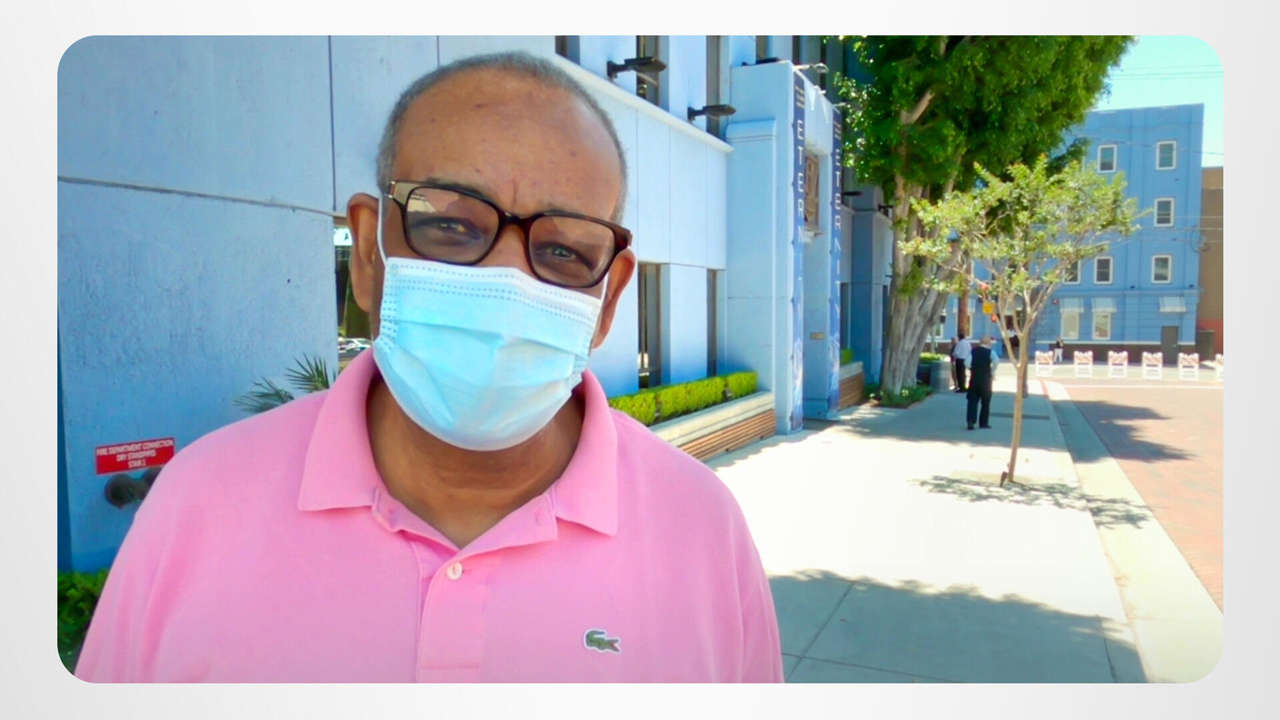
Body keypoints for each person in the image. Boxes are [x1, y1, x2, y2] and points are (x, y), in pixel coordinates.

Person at [76, 52, 783, 683]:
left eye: (563, 250)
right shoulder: (197, 505)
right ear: (367, 251)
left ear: (609, 299)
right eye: (450, 224)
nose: (508, 282)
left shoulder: (702, 535)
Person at [966, 336, 998, 430]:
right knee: (985, 402)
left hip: (974, 379)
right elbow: (996, 361)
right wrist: (992, 371)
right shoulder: (990, 352)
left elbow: (966, 363)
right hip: (986, 380)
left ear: (980, 342)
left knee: (972, 401)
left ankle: (971, 421)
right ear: (989, 343)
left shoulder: (973, 351)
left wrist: (972, 369)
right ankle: (983, 423)